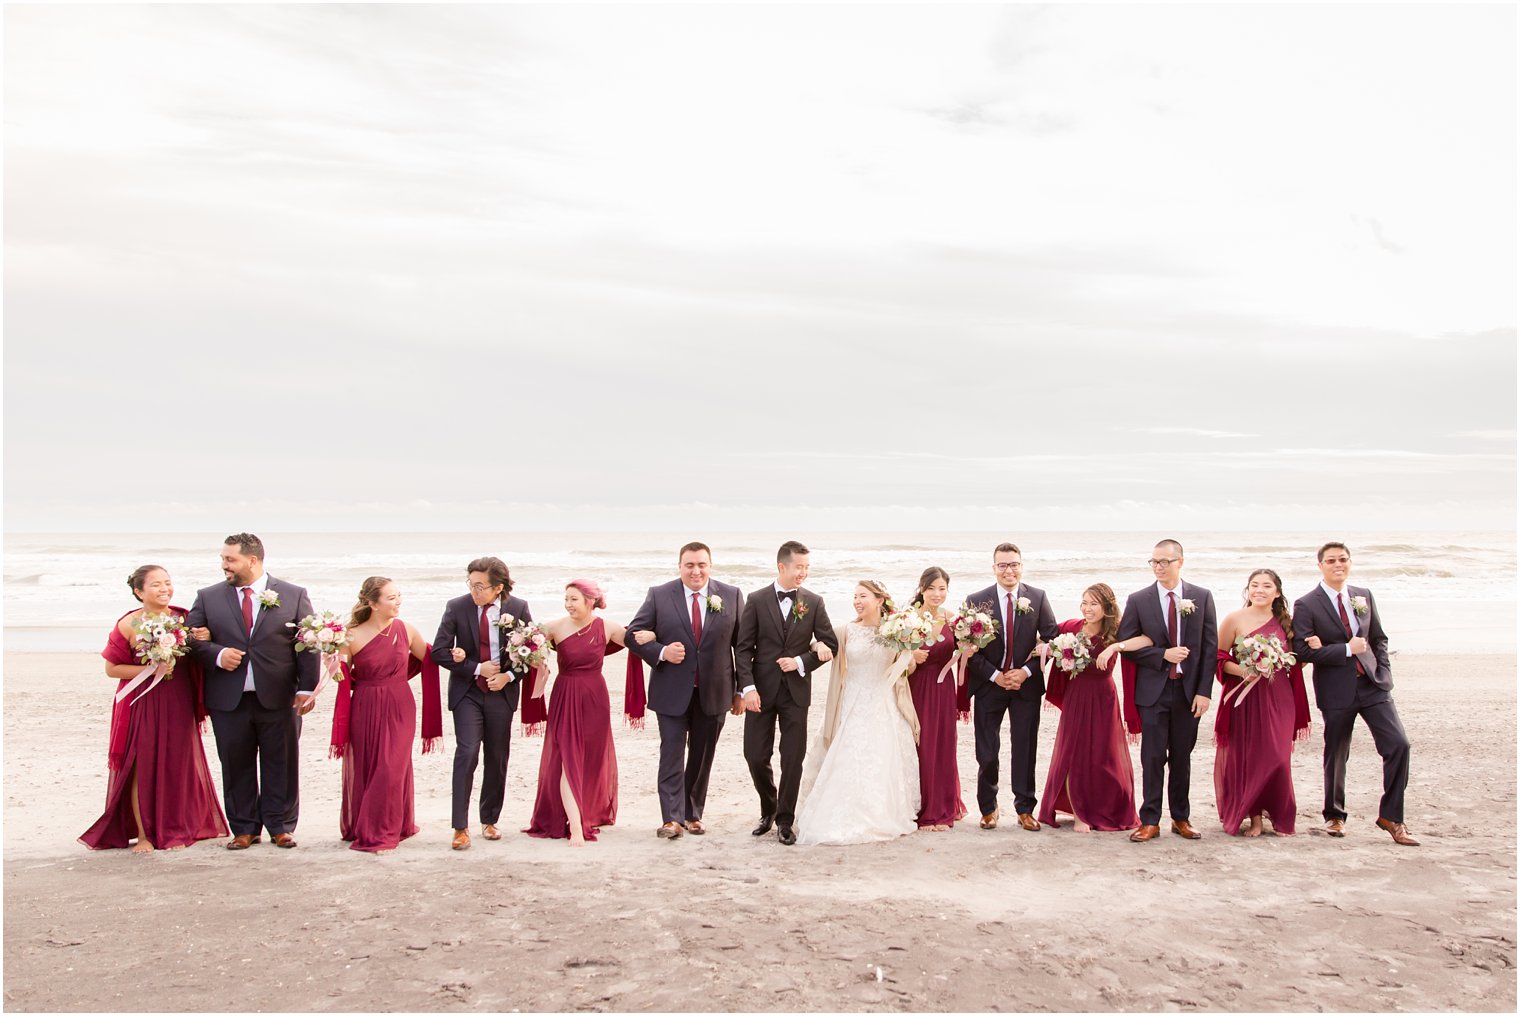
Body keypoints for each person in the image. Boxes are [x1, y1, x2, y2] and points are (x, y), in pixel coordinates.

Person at [80, 566, 228, 851]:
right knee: (141, 765)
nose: (165, 589)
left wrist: (206, 638)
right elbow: (112, 669)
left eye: (168, 583)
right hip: (142, 700)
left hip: (178, 699)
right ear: (139, 592)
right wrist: (149, 668)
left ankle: (177, 828)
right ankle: (146, 835)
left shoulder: (183, 618)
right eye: (156, 585)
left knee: (178, 763)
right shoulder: (128, 624)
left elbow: (200, 655)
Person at [186, 534, 318, 850]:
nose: (224, 566)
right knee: (235, 763)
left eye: (230, 560)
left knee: (282, 762)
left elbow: (309, 644)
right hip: (228, 699)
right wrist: (217, 654)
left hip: (279, 696)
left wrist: (307, 688)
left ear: (253, 560)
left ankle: (280, 826)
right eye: (222, 559)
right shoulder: (208, 597)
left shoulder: (293, 594)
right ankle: (244, 828)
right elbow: (189, 640)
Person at [1291, 543, 1417, 846]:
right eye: (1331, 560)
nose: (1338, 565)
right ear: (1320, 565)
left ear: (1350, 563)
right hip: (1336, 689)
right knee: (1337, 752)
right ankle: (1334, 815)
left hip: (1373, 684)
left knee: (1399, 745)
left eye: (1343, 559)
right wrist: (1346, 649)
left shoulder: (1363, 595)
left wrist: (1382, 669)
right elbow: (1302, 651)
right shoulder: (1306, 604)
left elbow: (1378, 638)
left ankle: (1392, 816)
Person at [625, 542, 745, 839]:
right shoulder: (659, 595)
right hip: (671, 691)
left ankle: (693, 814)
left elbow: (742, 646)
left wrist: (742, 690)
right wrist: (662, 651)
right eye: (689, 565)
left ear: (710, 566)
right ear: (679, 566)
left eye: (701, 564)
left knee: (702, 756)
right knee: (671, 754)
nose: (696, 570)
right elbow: (631, 635)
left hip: (715, 691)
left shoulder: (730, 595)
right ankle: (671, 819)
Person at [795, 581, 920, 845]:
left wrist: (910, 656)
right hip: (852, 701)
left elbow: (905, 668)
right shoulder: (847, 630)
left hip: (883, 702)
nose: (856, 601)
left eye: (862, 596)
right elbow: (819, 642)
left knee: (881, 757)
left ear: (879, 600)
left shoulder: (897, 630)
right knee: (847, 755)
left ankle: (881, 811)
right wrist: (820, 648)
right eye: (854, 596)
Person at [736, 540, 840, 846]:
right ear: (782, 567)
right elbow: (742, 650)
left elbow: (829, 644)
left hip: (796, 693)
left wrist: (799, 662)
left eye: (807, 568)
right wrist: (748, 688)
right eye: (799, 567)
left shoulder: (814, 602)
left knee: (792, 759)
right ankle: (768, 807)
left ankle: (785, 820)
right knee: (755, 755)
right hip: (760, 692)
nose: (803, 574)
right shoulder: (755, 600)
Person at [1116, 539, 1218, 843]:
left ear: (1180, 562)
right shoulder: (1139, 600)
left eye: (1165, 562)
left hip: (1188, 693)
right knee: (1152, 756)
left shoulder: (1201, 597)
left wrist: (1204, 691)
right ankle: (1150, 820)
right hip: (1153, 692)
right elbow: (1127, 646)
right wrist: (1162, 655)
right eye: (1154, 562)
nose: (1159, 567)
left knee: (1182, 757)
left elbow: (1210, 649)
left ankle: (1181, 818)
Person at [430, 557, 533, 851]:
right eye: (470, 584)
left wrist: (508, 677)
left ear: (498, 587)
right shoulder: (456, 606)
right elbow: (439, 652)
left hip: (501, 692)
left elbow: (533, 651)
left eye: (480, 586)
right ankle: (460, 828)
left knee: (497, 757)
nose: (474, 591)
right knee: (467, 752)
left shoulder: (518, 608)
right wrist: (476, 667)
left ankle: (489, 820)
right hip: (467, 692)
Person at [332, 577, 434, 853]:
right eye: (391, 597)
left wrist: (463, 656)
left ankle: (382, 830)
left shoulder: (407, 630)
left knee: (391, 766)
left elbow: (430, 659)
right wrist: (332, 666)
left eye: (399, 595)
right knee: (369, 764)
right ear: (371, 603)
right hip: (364, 704)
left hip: (400, 704)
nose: (398, 601)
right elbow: (341, 677)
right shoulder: (350, 635)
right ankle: (371, 823)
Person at [963, 542, 1058, 832]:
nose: (1009, 570)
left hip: (1025, 687)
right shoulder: (977, 600)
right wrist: (995, 676)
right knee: (987, 751)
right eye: (1002, 565)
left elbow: (1052, 639)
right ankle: (989, 808)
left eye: (1014, 564)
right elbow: (968, 647)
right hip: (990, 685)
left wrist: (1027, 671)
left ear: (1021, 565)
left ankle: (1025, 808)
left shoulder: (1038, 597)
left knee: (1025, 746)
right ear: (994, 568)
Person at [524, 579, 627, 845]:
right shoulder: (554, 627)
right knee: (567, 756)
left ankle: (586, 812)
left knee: (590, 758)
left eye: (574, 599)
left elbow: (638, 643)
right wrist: (535, 658)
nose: (568, 604)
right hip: (565, 695)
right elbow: (526, 648)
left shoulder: (608, 627)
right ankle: (577, 828)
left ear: (589, 602)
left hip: (595, 698)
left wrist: (651, 637)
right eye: (566, 598)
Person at [1036, 584, 1143, 833]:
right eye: (1084, 602)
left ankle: (1106, 807)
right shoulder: (1071, 628)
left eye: (1093, 603)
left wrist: (1116, 647)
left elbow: (1145, 639)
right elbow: (1043, 637)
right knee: (1075, 754)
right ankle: (1079, 814)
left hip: (1104, 698)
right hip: (1077, 696)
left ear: (1106, 607)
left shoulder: (1116, 631)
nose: (1087, 608)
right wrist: (1045, 650)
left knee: (1105, 756)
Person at [1214, 569, 1310, 837]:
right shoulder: (1234, 619)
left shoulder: (1286, 622)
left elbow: (1298, 656)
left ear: (1277, 592)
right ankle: (1255, 817)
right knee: (1251, 757)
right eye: (1254, 585)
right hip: (1246, 697)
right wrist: (1244, 670)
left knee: (1278, 757)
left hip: (1279, 695)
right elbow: (1219, 657)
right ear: (1248, 590)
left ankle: (1279, 813)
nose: (1259, 590)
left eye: (1266, 586)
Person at [903, 567, 967, 830]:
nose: (937, 594)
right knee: (920, 744)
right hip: (916, 687)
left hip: (943, 689)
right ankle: (920, 808)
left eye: (942, 589)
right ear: (921, 588)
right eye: (931, 588)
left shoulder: (954, 620)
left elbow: (962, 655)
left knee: (942, 745)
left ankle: (941, 808)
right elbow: (894, 655)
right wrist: (910, 656)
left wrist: (969, 651)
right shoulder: (907, 619)